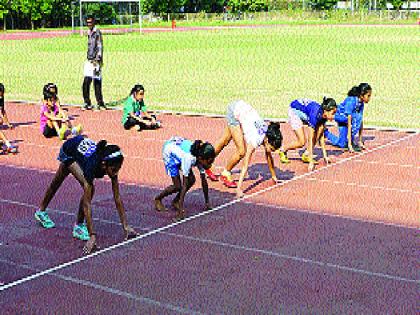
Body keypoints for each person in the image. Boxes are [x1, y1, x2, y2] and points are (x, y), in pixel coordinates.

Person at [35, 135, 138, 254]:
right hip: (68, 152)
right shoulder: (92, 166)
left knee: (58, 182)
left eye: (118, 169)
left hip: (77, 148)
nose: (115, 173)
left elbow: (117, 197)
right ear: (104, 165)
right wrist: (92, 235)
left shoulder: (112, 165)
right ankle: (77, 225)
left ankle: (43, 211)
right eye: (114, 169)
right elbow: (87, 204)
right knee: (80, 186)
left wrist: (126, 226)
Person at [205, 100, 283, 198]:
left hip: (239, 107)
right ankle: (225, 173)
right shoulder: (255, 139)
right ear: (267, 140)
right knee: (241, 152)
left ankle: (206, 159)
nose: (272, 151)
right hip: (234, 112)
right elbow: (245, 164)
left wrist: (274, 176)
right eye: (272, 149)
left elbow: (269, 157)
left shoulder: (268, 133)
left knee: (225, 140)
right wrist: (239, 188)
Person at [154, 137, 215, 221]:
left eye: (212, 162)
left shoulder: (200, 157)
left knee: (192, 180)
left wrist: (207, 202)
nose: (210, 165)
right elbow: (184, 185)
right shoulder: (188, 159)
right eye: (209, 162)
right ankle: (158, 199)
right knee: (177, 186)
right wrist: (180, 212)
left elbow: (204, 182)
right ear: (201, 158)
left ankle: (175, 201)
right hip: (169, 153)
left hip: (179, 150)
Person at [278, 97, 337, 171]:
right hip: (294, 111)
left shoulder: (323, 116)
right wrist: (311, 161)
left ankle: (306, 154)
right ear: (326, 111)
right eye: (333, 113)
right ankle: (283, 150)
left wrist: (325, 156)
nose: (334, 116)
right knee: (302, 142)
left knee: (320, 129)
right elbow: (310, 138)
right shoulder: (315, 115)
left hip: (306, 113)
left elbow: (321, 136)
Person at [324, 83, 372, 152]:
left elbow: (361, 121)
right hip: (341, 117)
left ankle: (348, 139)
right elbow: (349, 123)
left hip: (348, 119)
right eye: (368, 96)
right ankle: (325, 132)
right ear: (361, 95)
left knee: (357, 118)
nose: (369, 98)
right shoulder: (351, 101)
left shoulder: (361, 104)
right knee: (343, 144)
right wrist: (350, 145)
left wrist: (360, 141)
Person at [82, 16, 106, 111]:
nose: (89, 24)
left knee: (97, 83)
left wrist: (98, 59)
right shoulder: (89, 32)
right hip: (89, 60)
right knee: (86, 82)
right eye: (87, 22)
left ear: (94, 22)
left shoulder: (97, 32)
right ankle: (87, 102)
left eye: (90, 22)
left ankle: (100, 103)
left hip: (96, 61)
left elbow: (100, 46)